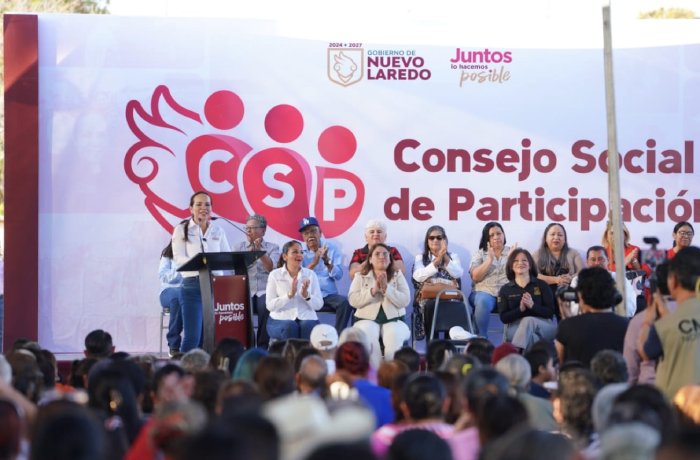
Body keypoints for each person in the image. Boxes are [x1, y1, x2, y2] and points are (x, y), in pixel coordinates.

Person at [172, 191, 231, 352]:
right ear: (190, 208)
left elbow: (227, 257)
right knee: (193, 337)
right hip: (192, 286)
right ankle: (184, 367)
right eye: (198, 204)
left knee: (208, 337)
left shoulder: (218, 230)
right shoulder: (182, 229)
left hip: (214, 286)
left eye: (207, 204)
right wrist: (200, 264)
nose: (203, 207)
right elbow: (179, 259)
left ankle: (203, 367)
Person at [641, 246, 700, 399]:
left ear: (673, 281)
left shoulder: (664, 327)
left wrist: (648, 320)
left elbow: (645, 352)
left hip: (677, 406)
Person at [348, 243, 411, 363]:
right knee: (368, 335)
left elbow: (405, 300)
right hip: (365, 320)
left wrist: (387, 289)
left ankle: (391, 370)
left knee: (393, 336)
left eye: (385, 254)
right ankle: (374, 371)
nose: (382, 257)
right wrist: (373, 290)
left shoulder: (397, 275)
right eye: (377, 254)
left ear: (390, 259)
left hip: (395, 320)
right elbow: (353, 300)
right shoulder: (360, 276)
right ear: (370, 259)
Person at [555, 267, 629, 367]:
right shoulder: (626, 325)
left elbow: (559, 364)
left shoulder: (567, 326)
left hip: (579, 377)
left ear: (580, 295)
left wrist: (567, 321)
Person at [233, 214, 280, 349]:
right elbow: (235, 271)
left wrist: (260, 252)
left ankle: (262, 347)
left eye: (253, 228)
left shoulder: (273, 248)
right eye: (247, 228)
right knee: (242, 309)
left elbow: (272, 268)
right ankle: (247, 346)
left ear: (263, 231)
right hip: (245, 289)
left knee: (265, 306)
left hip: (264, 289)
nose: (248, 231)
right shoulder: (239, 247)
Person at [298, 217, 352, 333]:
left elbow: (338, 275)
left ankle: (337, 337)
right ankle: (301, 340)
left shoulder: (331, 248)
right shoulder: (298, 251)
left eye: (313, 231)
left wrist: (327, 261)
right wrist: (314, 262)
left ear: (320, 232)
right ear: (303, 237)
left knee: (345, 303)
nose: (310, 235)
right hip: (307, 295)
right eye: (306, 233)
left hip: (328, 295)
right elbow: (297, 277)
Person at [497, 248, 556, 351]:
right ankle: (528, 359)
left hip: (544, 325)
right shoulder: (505, 290)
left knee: (528, 320)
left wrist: (533, 306)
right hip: (516, 326)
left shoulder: (542, 285)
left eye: (524, 260)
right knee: (532, 338)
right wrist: (520, 310)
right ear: (511, 266)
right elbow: (504, 318)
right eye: (516, 261)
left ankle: (515, 353)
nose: (520, 263)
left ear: (530, 265)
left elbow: (550, 312)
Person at [412, 225, 464, 340]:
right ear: (427, 241)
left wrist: (444, 256)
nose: (435, 240)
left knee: (453, 307)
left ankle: (449, 346)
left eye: (439, 237)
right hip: (428, 299)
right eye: (431, 238)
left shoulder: (453, 256)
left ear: (444, 240)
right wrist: (436, 261)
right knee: (430, 306)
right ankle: (433, 345)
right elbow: (418, 276)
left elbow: (458, 273)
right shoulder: (420, 257)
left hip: (450, 297)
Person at [265, 240, 323, 341]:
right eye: (295, 252)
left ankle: (305, 352)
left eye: (301, 252)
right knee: (290, 326)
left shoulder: (310, 274)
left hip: (307, 317)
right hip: (279, 319)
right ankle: (289, 352)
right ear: (285, 257)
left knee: (307, 326)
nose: (299, 255)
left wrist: (306, 296)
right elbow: (270, 306)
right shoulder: (274, 275)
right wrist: (289, 295)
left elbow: (318, 305)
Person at [565, 246, 637, 318]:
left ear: (608, 260)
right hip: (586, 320)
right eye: (593, 260)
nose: (597, 263)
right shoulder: (577, 279)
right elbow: (573, 307)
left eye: (601, 259)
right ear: (587, 262)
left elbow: (630, 305)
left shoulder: (619, 278)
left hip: (613, 319)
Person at [469, 222, 513, 337]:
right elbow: (475, 276)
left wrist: (513, 260)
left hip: (506, 294)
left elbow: (522, 277)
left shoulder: (512, 252)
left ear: (503, 235)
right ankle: (481, 340)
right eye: (492, 235)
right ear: (487, 239)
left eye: (499, 233)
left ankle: (516, 342)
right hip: (484, 292)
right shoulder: (480, 254)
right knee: (483, 301)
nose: (496, 237)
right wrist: (489, 260)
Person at [533, 223, 584, 318]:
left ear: (565, 239)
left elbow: (582, 272)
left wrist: (570, 278)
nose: (556, 237)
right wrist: (556, 280)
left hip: (568, 293)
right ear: (545, 238)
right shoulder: (537, 254)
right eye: (552, 234)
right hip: (545, 293)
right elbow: (534, 275)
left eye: (560, 235)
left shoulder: (573, 253)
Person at [159, 241, 183, 357]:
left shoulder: (194, 252)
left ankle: (200, 344)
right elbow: (162, 276)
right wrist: (180, 271)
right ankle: (174, 346)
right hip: (168, 292)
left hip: (188, 292)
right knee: (178, 297)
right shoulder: (168, 254)